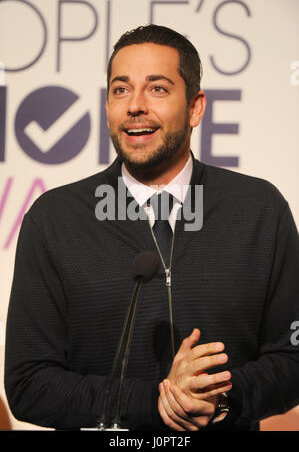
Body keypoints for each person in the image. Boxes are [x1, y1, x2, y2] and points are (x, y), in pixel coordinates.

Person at [5, 24, 299, 432]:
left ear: (196, 107)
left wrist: (221, 398)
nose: (135, 106)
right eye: (120, 90)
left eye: (157, 89)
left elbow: (292, 359)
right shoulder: (54, 219)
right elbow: (28, 383)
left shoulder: (260, 211)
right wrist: (157, 403)